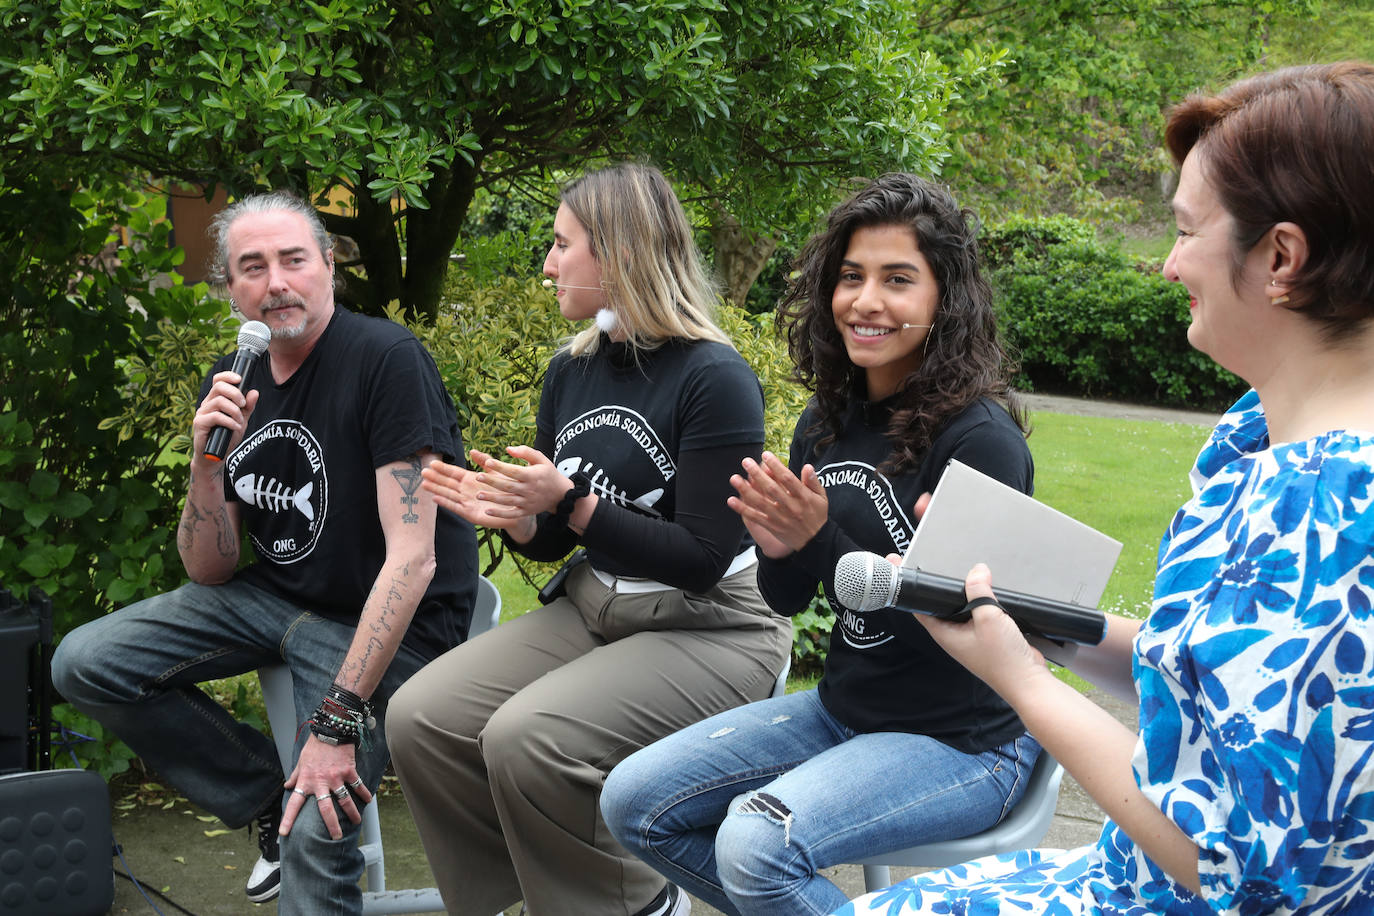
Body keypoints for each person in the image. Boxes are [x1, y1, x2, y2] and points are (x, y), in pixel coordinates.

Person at [838, 61, 1374, 916]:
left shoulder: (1335, 508)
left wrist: (1021, 680)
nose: (1167, 265)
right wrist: (1022, 610)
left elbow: (1234, 863)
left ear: (1282, 257)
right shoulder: (1261, 434)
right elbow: (1202, 677)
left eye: (1188, 230)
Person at [599, 173, 1037, 916]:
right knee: (632, 802)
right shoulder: (827, 421)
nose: (866, 301)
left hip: (962, 744)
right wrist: (780, 545)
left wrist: (820, 539)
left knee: (756, 845)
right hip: (845, 711)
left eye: (898, 280)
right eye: (850, 278)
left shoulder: (981, 442)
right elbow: (785, 598)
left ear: (944, 301)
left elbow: (966, 629)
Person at [51, 191, 478, 915]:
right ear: (229, 288)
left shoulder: (386, 361)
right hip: (273, 598)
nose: (276, 282)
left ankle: (291, 823)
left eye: (293, 260)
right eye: (252, 267)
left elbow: (414, 559)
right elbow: (209, 569)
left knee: (318, 824)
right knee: (86, 664)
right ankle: (260, 794)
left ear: (328, 268)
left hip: (385, 626)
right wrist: (205, 467)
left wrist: (336, 725)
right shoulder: (235, 374)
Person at [385, 162, 792, 916]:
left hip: (715, 626)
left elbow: (702, 560)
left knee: (526, 738)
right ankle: (520, 897)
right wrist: (517, 516)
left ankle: (632, 900)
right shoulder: (570, 370)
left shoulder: (715, 377)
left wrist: (568, 503)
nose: (547, 263)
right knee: (421, 715)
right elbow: (551, 542)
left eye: (561, 244)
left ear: (617, 253)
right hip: (598, 606)